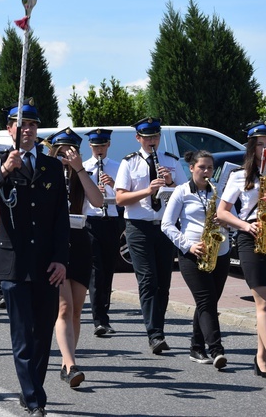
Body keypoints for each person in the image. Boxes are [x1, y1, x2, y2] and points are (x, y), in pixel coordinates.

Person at [0, 99, 69, 417]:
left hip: (45, 264)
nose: (26, 130)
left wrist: (61, 258)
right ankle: (34, 397)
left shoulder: (52, 166)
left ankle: (32, 391)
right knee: (22, 335)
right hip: (13, 263)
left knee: (42, 335)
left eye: (31, 125)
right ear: (10, 129)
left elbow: (60, 219)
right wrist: (3, 171)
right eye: (20, 124)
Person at [217, 121, 266, 384]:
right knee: (262, 304)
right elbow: (222, 212)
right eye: (259, 144)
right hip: (251, 238)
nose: (265, 148)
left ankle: (260, 359)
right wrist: (244, 225)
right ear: (252, 148)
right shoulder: (240, 176)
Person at [115, 117, 186, 355]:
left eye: (155, 137)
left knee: (163, 283)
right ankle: (155, 334)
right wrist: (148, 190)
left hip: (165, 226)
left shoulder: (171, 161)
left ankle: (159, 328)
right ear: (138, 138)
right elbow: (120, 199)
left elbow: (186, 194)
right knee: (147, 280)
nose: (152, 142)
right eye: (147, 138)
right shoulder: (129, 163)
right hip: (138, 227)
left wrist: (170, 182)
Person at [162, 150, 230, 369]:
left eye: (210, 168)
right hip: (192, 253)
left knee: (208, 302)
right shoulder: (181, 191)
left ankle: (196, 347)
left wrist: (228, 221)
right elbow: (167, 224)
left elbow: (233, 216)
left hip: (220, 251)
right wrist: (188, 245)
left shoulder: (219, 191)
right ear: (191, 168)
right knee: (206, 301)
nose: (207, 172)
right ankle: (217, 350)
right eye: (202, 167)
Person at [46, 128, 103, 388]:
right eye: (61, 152)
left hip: (79, 242)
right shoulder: (45, 176)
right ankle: (70, 365)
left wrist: (80, 170)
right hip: (54, 246)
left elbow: (98, 201)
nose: (66, 156)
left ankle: (67, 359)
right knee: (64, 307)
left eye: (71, 151)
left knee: (77, 310)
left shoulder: (83, 176)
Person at [82, 128, 122, 336]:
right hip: (91, 220)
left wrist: (112, 185)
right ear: (90, 146)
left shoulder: (118, 167)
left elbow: (125, 196)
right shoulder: (84, 168)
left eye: (102, 145)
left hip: (112, 220)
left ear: (108, 145)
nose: (99, 150)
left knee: (108, 269)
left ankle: (104, 313)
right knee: (96, 270)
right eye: (96, 146)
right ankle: (99, 319)